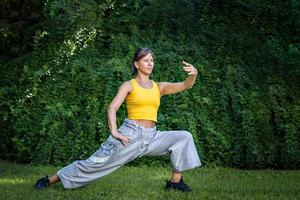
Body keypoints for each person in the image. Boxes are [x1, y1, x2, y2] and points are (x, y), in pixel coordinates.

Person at [34, 47, 201, 192]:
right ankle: (49, 180)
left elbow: (186, 85)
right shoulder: (129, 85)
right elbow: (112, 108)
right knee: (94, 163)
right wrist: (114, 131)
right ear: (136, 64)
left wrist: (193, 75)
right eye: (145, 60)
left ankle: (175, 182)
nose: (150, 63)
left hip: (151, 137)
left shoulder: (158, 87)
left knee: (184, 137)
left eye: (152, 60)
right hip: (130, 136)